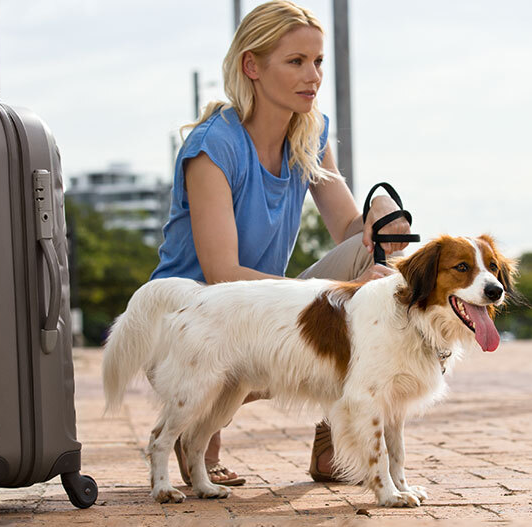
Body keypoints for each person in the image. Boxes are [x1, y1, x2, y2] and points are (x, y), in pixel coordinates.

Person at [149, 0, 414, 486]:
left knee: (379, 255)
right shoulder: (213, 147)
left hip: (266, 309)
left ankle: (338, 438)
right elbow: (221, 275)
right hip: (195, 322)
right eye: (295, 62)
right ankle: (200, 441)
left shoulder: (310, 131)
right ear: (252, 66)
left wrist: (377, 219)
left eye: (317, 62)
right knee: (347, 294)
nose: (312, 76)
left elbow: (348, 233)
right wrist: (342, 292)